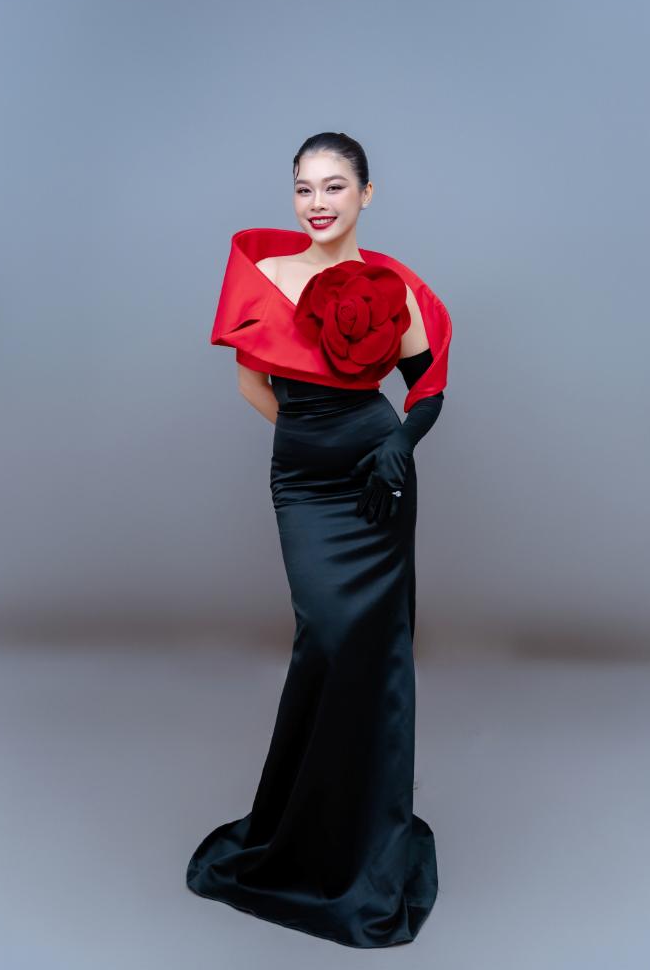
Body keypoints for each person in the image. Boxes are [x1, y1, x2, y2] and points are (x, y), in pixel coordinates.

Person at [186, 132, 452, 948]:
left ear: (365, 194)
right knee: (326, 636)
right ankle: (299, 830)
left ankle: (366, 842)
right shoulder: (266, 277)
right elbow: (251, 383)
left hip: (377, 484)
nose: (317, 202)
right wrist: (308, 440)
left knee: (374, 653)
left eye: (334, 186)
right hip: (305, 488)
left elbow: (428, 387)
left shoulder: (392, 287)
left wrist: (398, 442)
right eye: (304, 188)